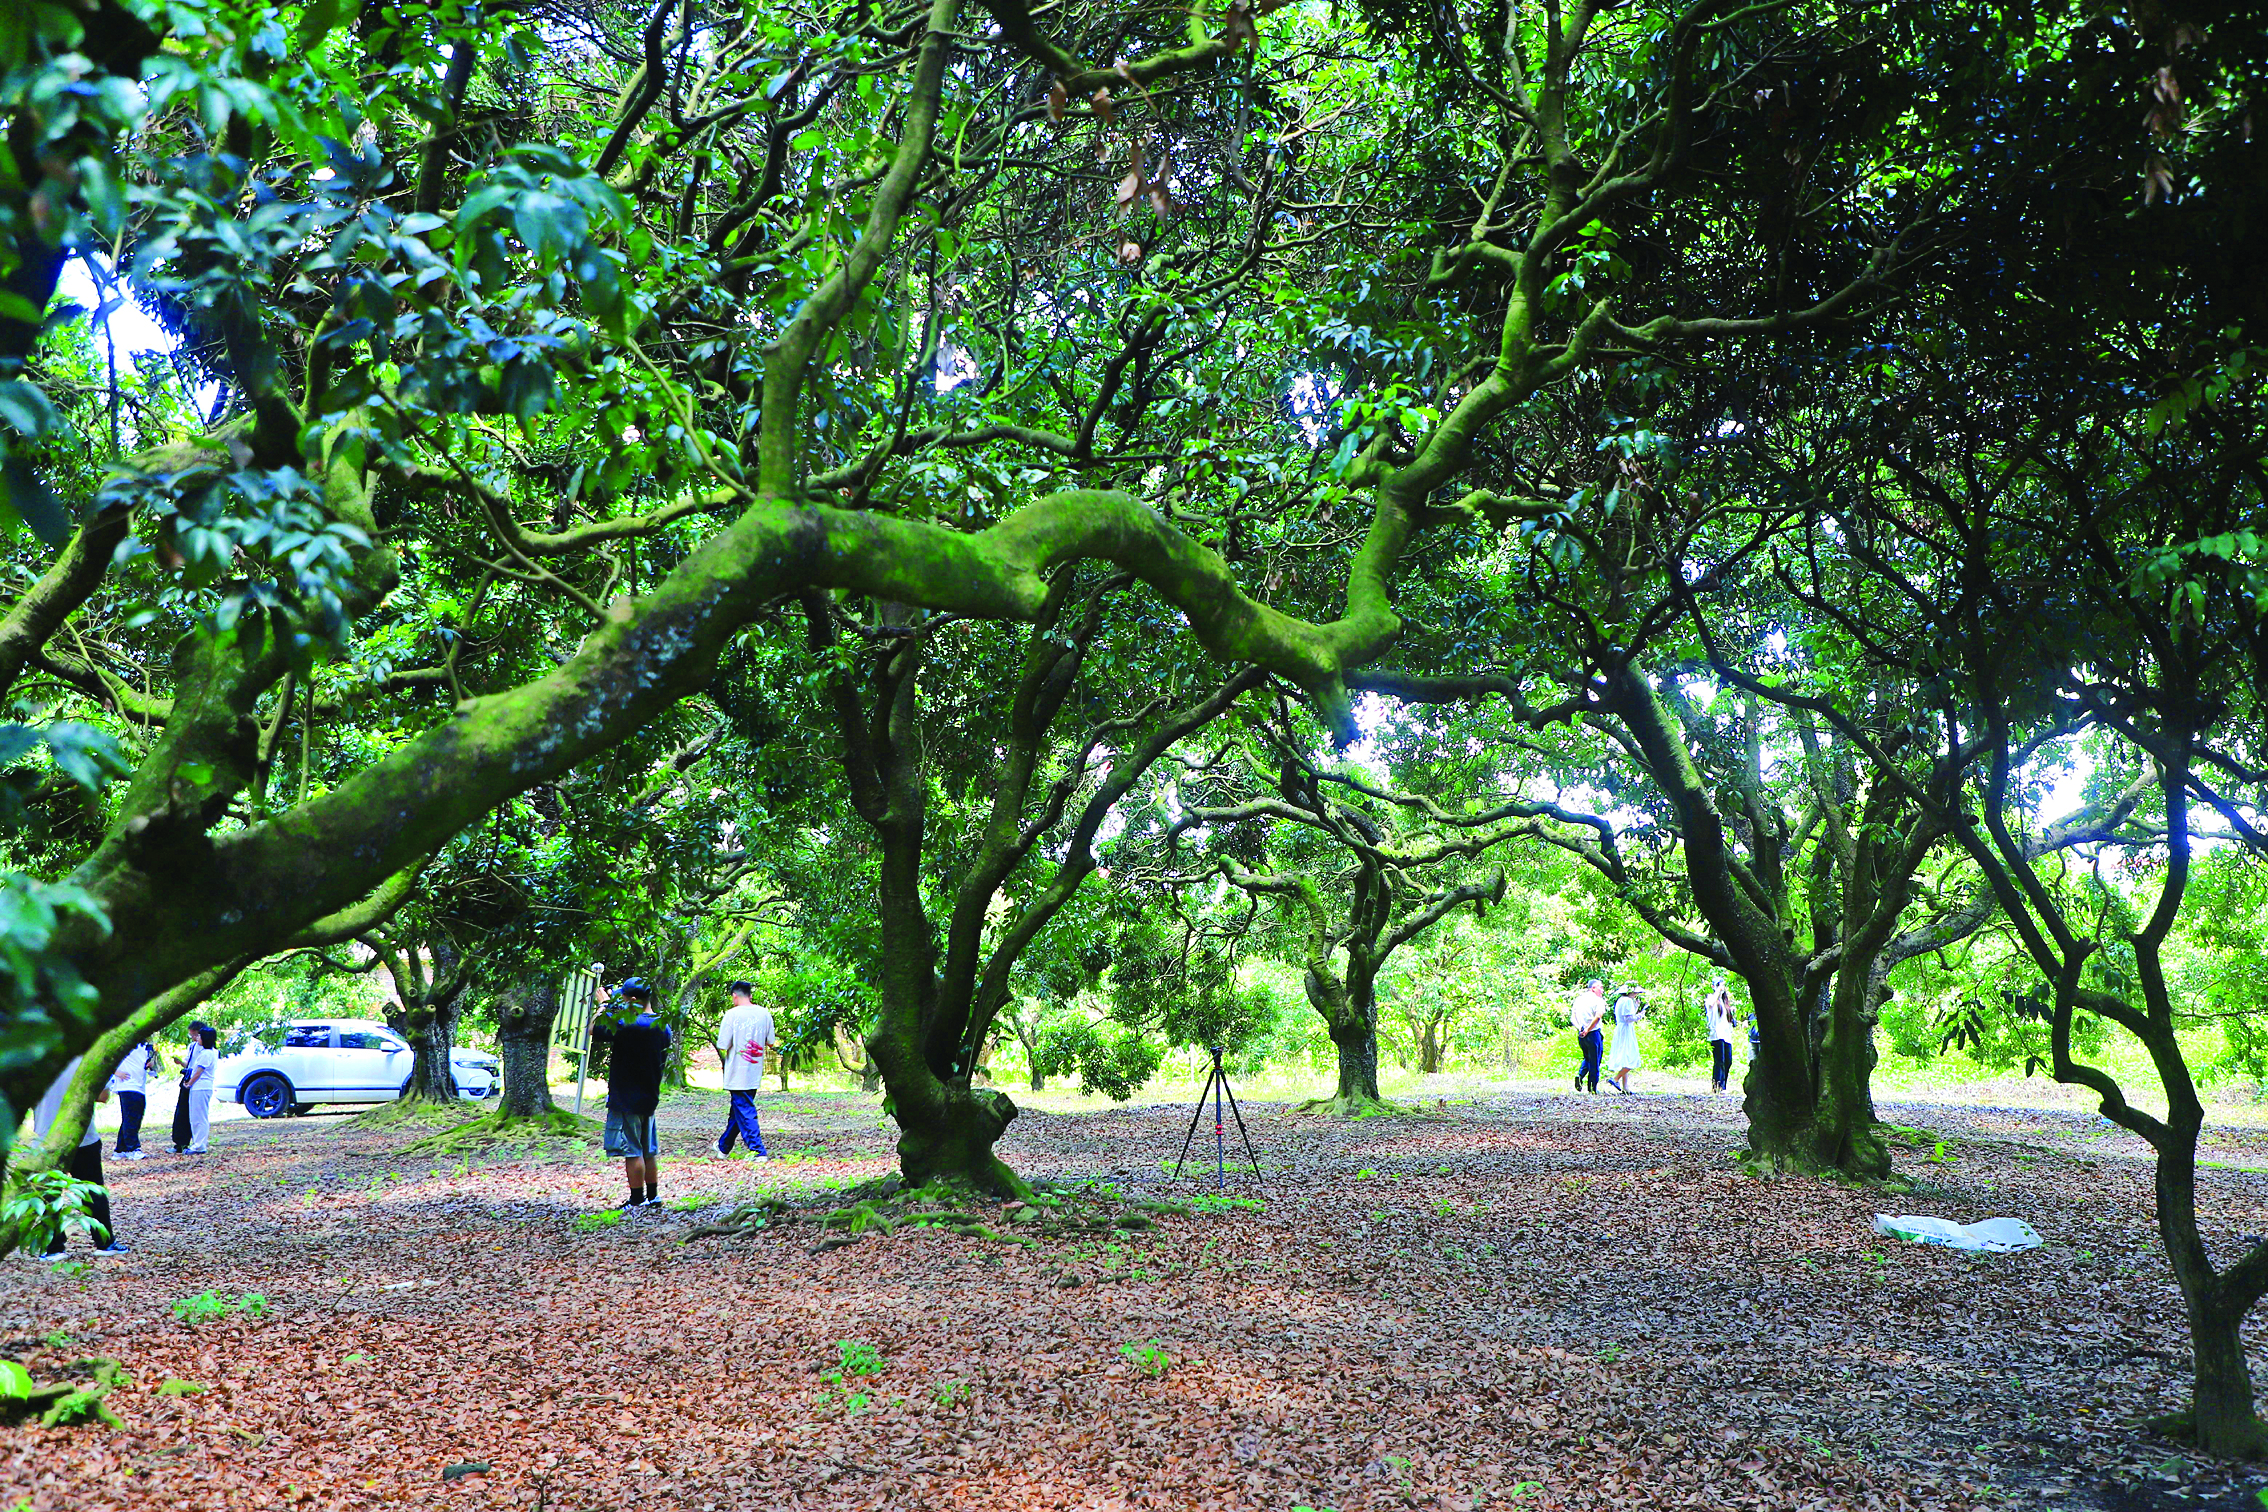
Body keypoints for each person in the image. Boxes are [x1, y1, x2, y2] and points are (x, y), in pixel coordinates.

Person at [32, 1057, 127, 1257]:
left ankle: (52, 1247)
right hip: (82, 1137)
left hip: (45, 1137)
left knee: (49, 1194)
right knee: (93, 1192)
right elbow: (102, 1096)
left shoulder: (33, 1062)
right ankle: (105, 1242)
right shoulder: (88, 1059)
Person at [592, 979, 672, 1208]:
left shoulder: (625, 1024)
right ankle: (653, 1196)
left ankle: (636, 1199)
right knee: (649, 1150)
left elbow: (593, 1029)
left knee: (633, 1150)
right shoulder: (661, 1024)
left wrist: (604, 1006)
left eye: (624, 998)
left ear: (633, 1000)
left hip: (626, 1095)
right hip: (650, 1095)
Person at [712, 980, 774, 1159]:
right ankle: (723, 1147)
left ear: (734, 996)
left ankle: (758, 1151)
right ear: (750, 995)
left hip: (737, 1071)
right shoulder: (764, 1014)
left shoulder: (731, 1015)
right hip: (754, 1070)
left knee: (745, 1110)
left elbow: (723, 1044)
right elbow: (770, 1040)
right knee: (739, 1110)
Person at [108, 1041, 161, 1159]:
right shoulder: (126, 1043)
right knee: (131, 1117)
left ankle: (120, 1149)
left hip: (139, 1086)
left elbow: (155, 1068)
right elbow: (106, 1059)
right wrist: (116, 1072)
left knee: (132, 1117)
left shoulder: (147, 1047)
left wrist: (151, 1066)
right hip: (127, 1085)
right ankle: (132, 1148)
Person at [175, 1022, 217, 1155]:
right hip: (198, 1087)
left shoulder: (206, 1054)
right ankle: (197, 1143)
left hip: (201, 1087)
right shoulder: (204, 1052)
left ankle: (199, 1145)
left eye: (199, 1036)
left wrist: (189, 1083)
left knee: (199, 1117)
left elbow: (198, 1072)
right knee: (195, 1116)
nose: (196, 1038)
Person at [1604, 986, 1645, 1094]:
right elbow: (1628, 1018)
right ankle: (1616, 1079)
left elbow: (1627, 1015)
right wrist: (1640, 1015)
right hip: (1626, 1030)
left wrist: (1636, 1008)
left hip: (1621, 1029)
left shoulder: (1621, 1000)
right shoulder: (1627, 1001)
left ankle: (1625, 1087)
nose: (1636, 995)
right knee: (1631, 1057)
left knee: (1624, 1057)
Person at [1569, 979, 1607, 1094]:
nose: (1602, 990)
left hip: (1581, 1034)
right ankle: (1592, 1088)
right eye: (1600, 987)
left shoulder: (1579, 999)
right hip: (1593, 1033)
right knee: (1595, 1060)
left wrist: (1579, 1028)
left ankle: (1580, 1076)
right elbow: (1598, 1016)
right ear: (1593, 988)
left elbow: (1573, 1017)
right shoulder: (1598, 1000)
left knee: (1587, 1057)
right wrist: (1588, 1029)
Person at [1705, 980, 1740, 1093]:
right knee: (1719, 1061)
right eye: (1718, 984)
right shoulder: (1711, 998)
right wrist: (1718, 991)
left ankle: (1723, 1085)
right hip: (1716, 1035)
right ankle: (1718, 1086)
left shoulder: (1725, 1002)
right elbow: (1710, 1004)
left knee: (1728, 1061)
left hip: (1726, 1036)